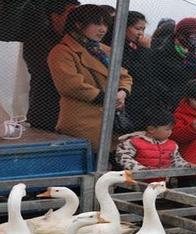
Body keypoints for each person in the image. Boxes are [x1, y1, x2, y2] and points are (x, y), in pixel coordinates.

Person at [47, 4, 133, 152]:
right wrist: (108, 98)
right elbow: (71, 85)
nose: (103, 29)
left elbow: (124, 76)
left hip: (110, 122)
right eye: (97, 24)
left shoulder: (105, 50)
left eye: (105, 24)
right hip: (81, 124)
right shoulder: (62, 51)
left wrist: (122, 92)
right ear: (78, 24)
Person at [22, 0, 79, 131]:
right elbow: (46, 69)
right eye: (71, 14)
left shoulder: (75, 39)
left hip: (72, 111)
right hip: (46, 108)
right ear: (54, 15)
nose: (77, 19)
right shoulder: (37, 38)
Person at [151, 18, 196, 113]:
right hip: (179, 103)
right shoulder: (164, 53)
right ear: (182, 36)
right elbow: (162, 81)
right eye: (195, 36)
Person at [115, 109, 193, 177]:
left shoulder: (172, 145)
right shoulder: (133, 142)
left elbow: (175, 161)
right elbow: (123, 158)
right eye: (167, 129)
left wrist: (186, 165)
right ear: (151, 129)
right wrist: (141, 169)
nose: (170, 132)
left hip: (161, 183)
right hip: (136, 183)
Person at [120, 11, 155, 131]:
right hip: (128, 98)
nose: (141, 33)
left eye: (143, 29)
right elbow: (138, 72)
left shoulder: (132, 46)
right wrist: (144, 49)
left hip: (140, 100)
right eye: (137, 28)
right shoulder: (118, 47)